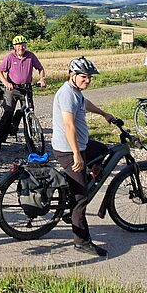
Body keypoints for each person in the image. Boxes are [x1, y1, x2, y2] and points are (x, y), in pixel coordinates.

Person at [51, 56, 116, 257]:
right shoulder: (67, 94)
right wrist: (77, 155)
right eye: (84, 77)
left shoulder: (75, 92)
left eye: (89, 77)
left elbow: (85, 103)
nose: (87, 80)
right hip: (68, 151)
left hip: (81, 145)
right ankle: (81, 241)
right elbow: (69, 125)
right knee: (81, 198)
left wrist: (104, 113)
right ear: (73, 75)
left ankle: (84, 180)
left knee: (104, 149)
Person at [0, 35, 47, 153]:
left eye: (23, 45)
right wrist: (6, 83)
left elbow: (40, 68)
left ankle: (29, 143)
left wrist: (42, 79)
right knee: (7, 114)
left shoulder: (30, 56)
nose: (21, 47)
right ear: (14, 47)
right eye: (18, 45)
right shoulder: (10, 57)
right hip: (12, 89)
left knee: (29, 113)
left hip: (26, 89)